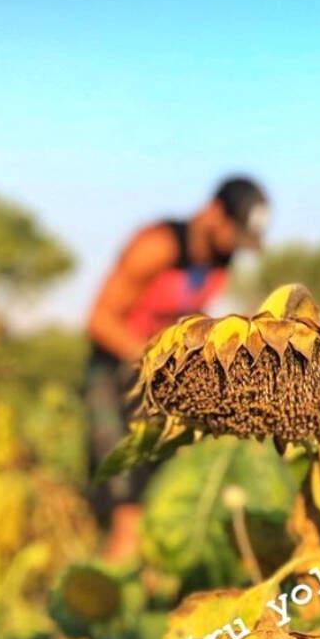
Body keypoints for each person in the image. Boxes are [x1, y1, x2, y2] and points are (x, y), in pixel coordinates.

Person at [85, 176, 269, 561]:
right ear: (214, 212)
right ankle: (105, 612)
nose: (236, 247)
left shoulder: (220, 260)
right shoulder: (157, 247)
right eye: (234, 233)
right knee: (127, 512)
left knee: (164, 500)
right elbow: (100, 320)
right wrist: (157, 360)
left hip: (158, 381)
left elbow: (187, 318)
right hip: (115, 372)